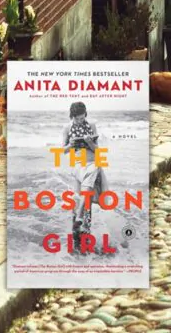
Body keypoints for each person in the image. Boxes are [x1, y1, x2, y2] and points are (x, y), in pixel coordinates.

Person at [62, 102, 108, 250]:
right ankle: (76, 238)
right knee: (78, 198)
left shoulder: (92, 125)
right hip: (77, 164)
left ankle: (85, 234)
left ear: (85, 115)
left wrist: (89, 142)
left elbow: (97, 150)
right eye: (77, 119)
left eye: (82, 118)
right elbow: (63, 150)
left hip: (92, 162)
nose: (80, 121)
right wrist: (71, 145)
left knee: (87, 195)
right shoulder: (67, 128)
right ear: (72, 116)